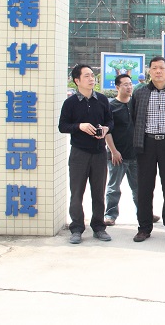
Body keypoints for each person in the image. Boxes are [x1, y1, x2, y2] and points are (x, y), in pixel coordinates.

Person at [130, 56, 165, 243]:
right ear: (149, 71)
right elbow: (133, 118)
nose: (158, 71)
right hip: (146, 144)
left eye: (161, 68)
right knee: (145, 188)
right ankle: (144, 228)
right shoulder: (140, 93)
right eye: (154, 68)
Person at [58, 64, 113, 245]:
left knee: (98, 193)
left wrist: (105, 129)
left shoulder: (102, 100)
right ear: (77, 80)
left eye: (92, 75)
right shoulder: (70, 103)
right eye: (87, 76)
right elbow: (62, 126)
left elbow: (110, 121)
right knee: (77, 193)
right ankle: (76, 229)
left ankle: (98, 227)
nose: (91, 79)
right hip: (79, 154)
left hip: (99, 153)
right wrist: (79, 126)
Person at [104, 73, 160, 226]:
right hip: (117, 155)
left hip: (135, 155)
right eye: (125, 84)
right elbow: (107, 131)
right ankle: (110, 215)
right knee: (114, 188)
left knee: (139, 188)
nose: (129, 87)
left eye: (130, 84)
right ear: (117, 87)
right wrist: (114, 151)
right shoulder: (111, 107)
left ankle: (144, 214)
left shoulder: (135, 104)